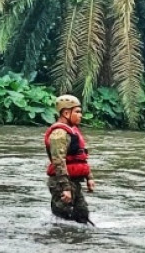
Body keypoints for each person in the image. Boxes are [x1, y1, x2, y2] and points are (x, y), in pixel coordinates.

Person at [44, 94, 96, 223]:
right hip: (61, 183)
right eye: (77, 112)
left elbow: (81, 157)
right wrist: (66, 188)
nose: (80, 115)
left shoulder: (72, 131)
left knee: (82, 215)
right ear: (66, 113)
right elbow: (58, 162)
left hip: (74, 182)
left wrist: (89, 178)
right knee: (62, 218)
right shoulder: (59, 134)